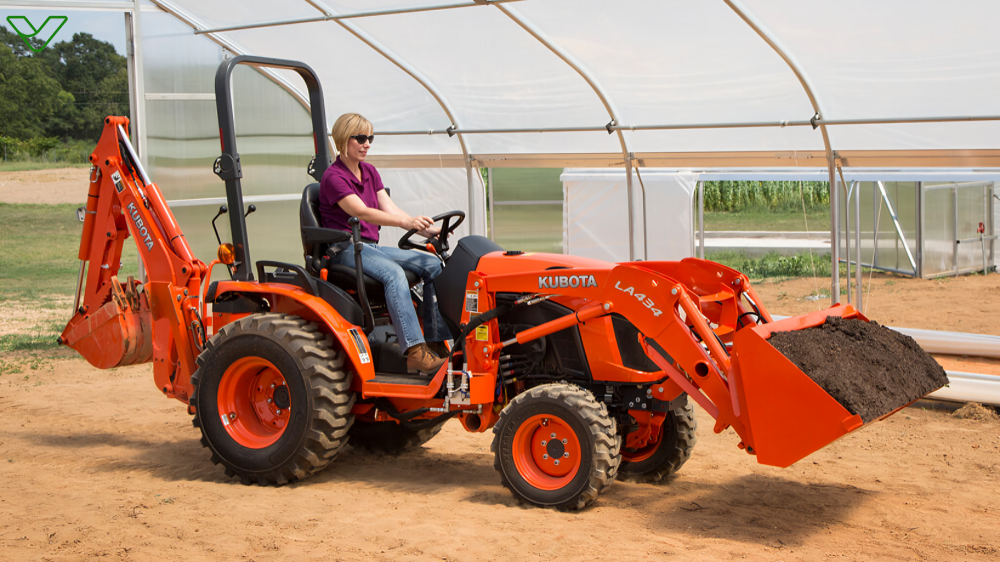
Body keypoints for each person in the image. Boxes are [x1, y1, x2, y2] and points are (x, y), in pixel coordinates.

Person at [319, 113, 451, 374]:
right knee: (394, 273)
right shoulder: (333, 178)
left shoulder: (369, 171)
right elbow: (361, 212)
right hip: (344, 249)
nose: (367, 144)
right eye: (360, 138)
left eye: (370, 138)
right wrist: (404, 223)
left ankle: (436, 342)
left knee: (432, 263)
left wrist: (425, 230)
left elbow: (389, 207)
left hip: (371, 247)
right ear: (344, 139)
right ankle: (414, 350)